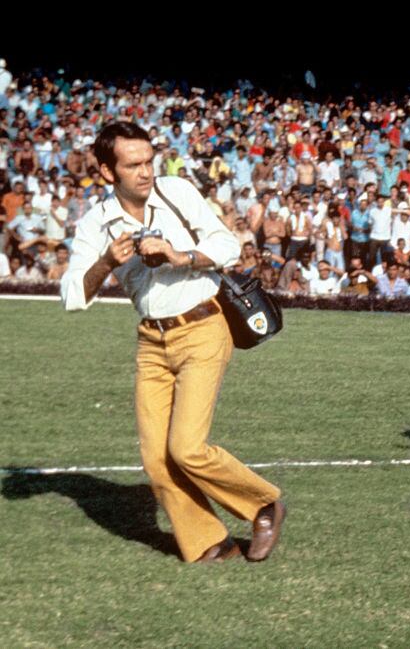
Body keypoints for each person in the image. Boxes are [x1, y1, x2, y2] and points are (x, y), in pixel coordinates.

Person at [60, 121, 286, 564]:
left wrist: (178, 256)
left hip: (203, 326)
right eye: (133, 165)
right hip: (152, 342)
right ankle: (209, 543)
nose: (146, 172)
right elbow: (73, 296)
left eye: (149, 161)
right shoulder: (96, 222)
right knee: (156, 461)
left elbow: (227, 245)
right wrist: (106, 262)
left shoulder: (177, 192)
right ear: (108, 172)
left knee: (186, 447)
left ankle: (263, 504)